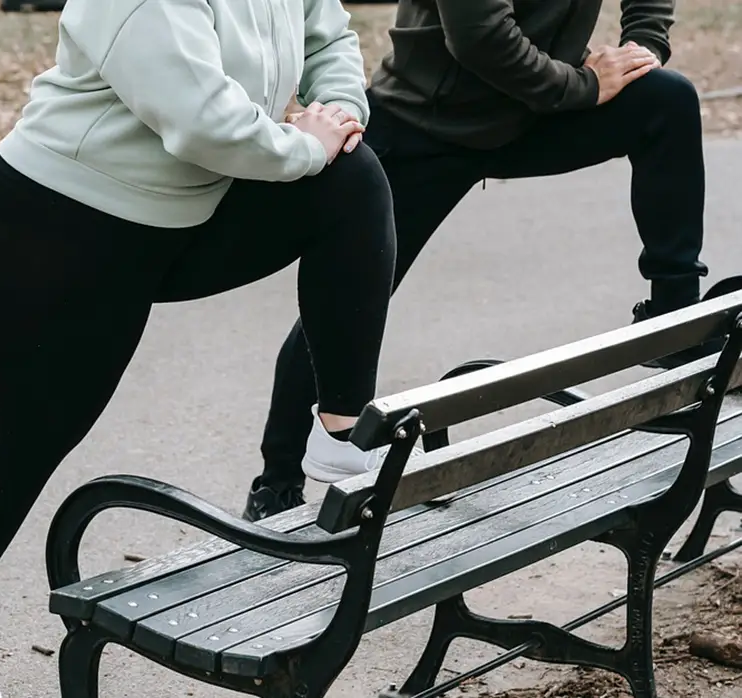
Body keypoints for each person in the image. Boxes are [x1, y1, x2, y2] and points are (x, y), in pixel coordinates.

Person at [0, 0, 418, 695]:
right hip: (56, 229)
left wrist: (341, 117)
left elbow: (331, 39)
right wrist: (306, 147)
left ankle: (343, 425)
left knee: (351, 181)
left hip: (187, 211)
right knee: (26, 443)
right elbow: (205, 124)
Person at [243, 0, 720, 522]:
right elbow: (478, 35)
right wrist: (583, 85)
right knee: (345, 305)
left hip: (538, 107)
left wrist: (641, 51)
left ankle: (677, 324)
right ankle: (277, 484)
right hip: (429, 121)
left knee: (666, 98)